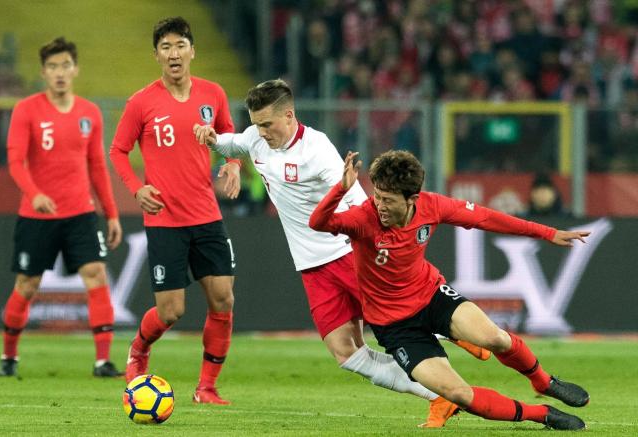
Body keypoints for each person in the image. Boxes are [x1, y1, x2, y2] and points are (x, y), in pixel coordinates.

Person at [194, 79, 490, 427]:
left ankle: (454, 331)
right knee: (346, 353)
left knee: (401, 321)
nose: (261, 132)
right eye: (257, 124)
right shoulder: (256, 138)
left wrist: (378, 243)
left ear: (289, 115)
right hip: (312, 267)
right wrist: (212, 138)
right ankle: (438, 393)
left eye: (267, 124)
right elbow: (233, 143)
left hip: (345, 255)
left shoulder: (316, 150)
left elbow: (355, 201)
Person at [309, 149, 590, 430]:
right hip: (395, 327)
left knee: (495, 338)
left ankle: (543, 381)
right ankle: (541, 413)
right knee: (458, 394)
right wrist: (341, 189)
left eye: (388, 200)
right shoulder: (362, 218)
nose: (379, 205)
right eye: (377, 196)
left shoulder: (431, 206)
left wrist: (548, 233)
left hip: (432, 297)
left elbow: (485, 218)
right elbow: (318, 222)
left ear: (412, 199)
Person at [109, 17, 241, 405]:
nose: (174, 53)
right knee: (170, 311)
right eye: (165, 47)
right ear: (156, 55)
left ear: (192, 51)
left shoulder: (213, 94)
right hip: (165, 220)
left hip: (207, 216)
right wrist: (137, 188)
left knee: (223, 300)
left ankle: (206, 388)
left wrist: (232, 164)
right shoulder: (141, 102)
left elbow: (230, 136)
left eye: (180, 45)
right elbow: (117, 151)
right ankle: (139, 349)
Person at [0, 37, 123, 378]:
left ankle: (103, 361)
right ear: (43, 72)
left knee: (96, 274)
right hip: (37, 215)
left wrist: (111, 213)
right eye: (52, 66)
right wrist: (34, 193)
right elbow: (15, 161)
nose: (59, 72)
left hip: (81, 213)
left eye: (65, 65)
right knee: (27, 284)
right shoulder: (27, 109)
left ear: (75, 69)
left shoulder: (90, 113)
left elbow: (97, 166)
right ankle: (9, 355)